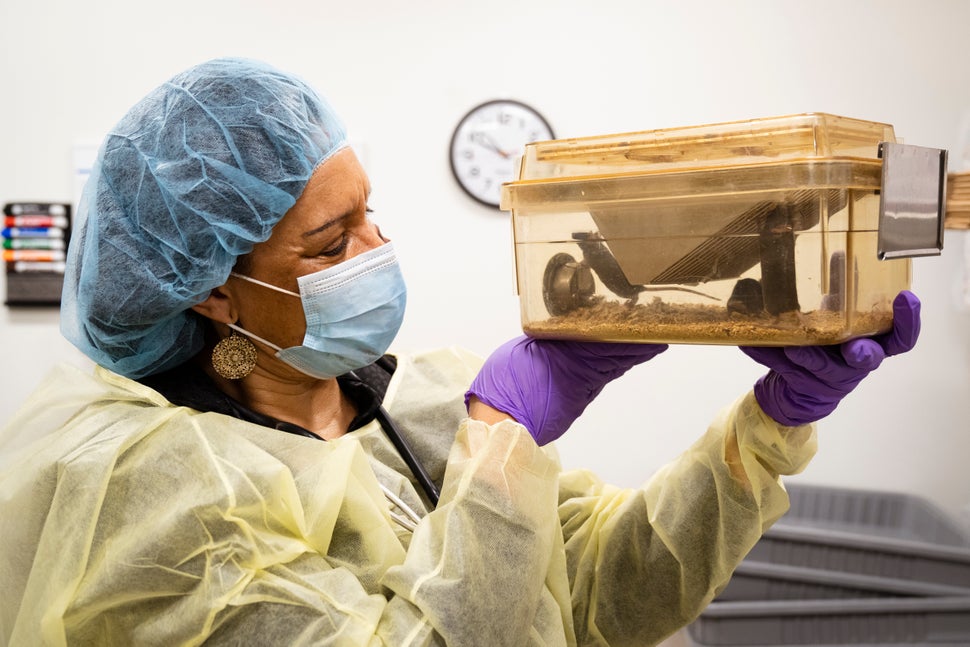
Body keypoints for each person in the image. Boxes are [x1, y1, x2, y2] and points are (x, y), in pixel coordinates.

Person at [0, 58, 920, 647]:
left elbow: (602, 594)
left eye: (370, 214)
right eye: (329, 244)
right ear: (210, 286)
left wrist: (767, 425)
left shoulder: (422, 400)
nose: (377, 252)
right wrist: (502, 437)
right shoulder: (153, 496)